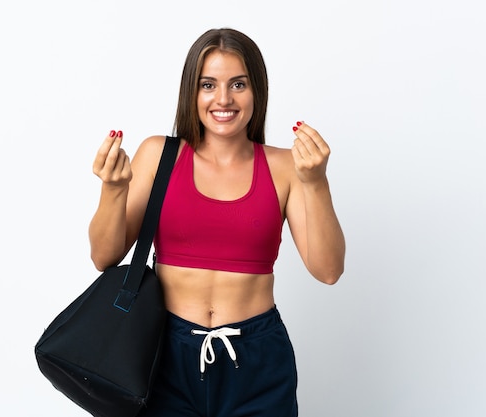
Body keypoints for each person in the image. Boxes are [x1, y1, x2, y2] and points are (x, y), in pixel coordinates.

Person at [89, 28, 345, 417]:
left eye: (238, 84)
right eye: (208, 85)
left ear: (257, 90)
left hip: (257, 358)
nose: (223, 99)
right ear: (191, 92)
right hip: (165, 356)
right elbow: (103, 256)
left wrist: (316, 182)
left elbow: (328, 270)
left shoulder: (285, 166)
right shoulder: (158, 154)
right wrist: (112, 189)